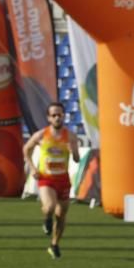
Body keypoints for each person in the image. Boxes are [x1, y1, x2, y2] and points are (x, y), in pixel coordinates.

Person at [23, 102, 81, 259]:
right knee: (49, 207)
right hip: (46, 178)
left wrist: (73, 151)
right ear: (49, 118)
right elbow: (26, 149)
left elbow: (76, 159)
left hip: (63, 179)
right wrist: (33, 168)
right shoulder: (41, 135)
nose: (57, 118)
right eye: (54, 115)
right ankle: (46, 219)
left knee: (61, 215)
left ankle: (54, 244)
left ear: (64, 116)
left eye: (59, 114)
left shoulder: (70, 136)